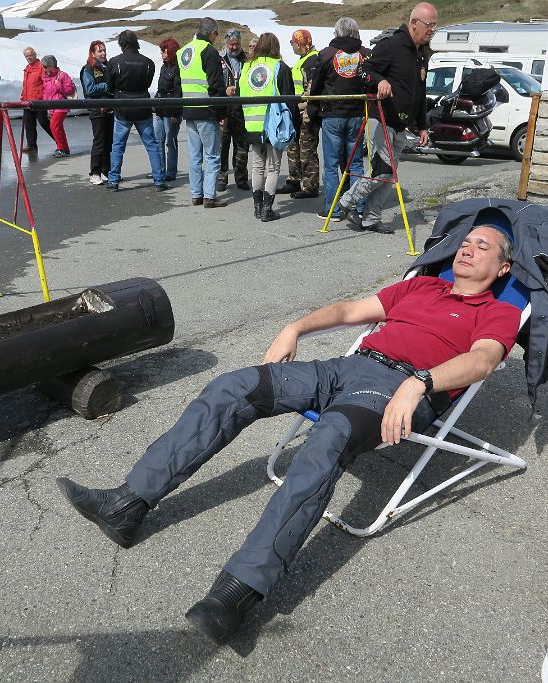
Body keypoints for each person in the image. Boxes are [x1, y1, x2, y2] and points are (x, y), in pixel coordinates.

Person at [57, 224, 520, 644]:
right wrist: (293, 327)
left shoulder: (497, 313)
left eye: (483, 245)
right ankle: (126, 504)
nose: (468, 248)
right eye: (465, 241)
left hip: (403, 387)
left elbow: (481, 360)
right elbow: (350, 310)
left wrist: (418, 384)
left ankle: (237, 593)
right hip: (347, 366)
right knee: (235, 386)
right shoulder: (421, 285)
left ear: (502, 267)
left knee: (329, 438)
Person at [337, 3, 437, 233]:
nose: (432, 30)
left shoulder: (422, 53)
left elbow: (420, 93)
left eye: (435, 26)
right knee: (381, 170)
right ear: (414, 23)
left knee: (390, 174)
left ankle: (371, 218)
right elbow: (363, 70)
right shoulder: (390, 45)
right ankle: (347, 202)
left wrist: (422, 126)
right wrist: (379, 80)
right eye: (429, 25)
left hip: (401, 124)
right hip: (380, 117)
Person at [308, 18, 370, 221]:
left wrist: (313, 110)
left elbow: (315, 86)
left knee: (332, 165)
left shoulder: (326, 54)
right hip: (357, 114)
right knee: (356, 164)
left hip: (332, 114)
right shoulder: (365, 55)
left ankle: (333, 209)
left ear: (337, 32)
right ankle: (359, 207)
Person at [234, 33, 294, 222]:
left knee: (257, 167)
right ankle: (267, 209)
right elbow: (289, 98)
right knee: (273, 168)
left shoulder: (247, 67)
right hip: (273, 125)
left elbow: (238, 96)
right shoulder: (279, 67)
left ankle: (257, 207)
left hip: (252, 124)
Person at [105, 30, 167, 192]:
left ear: (121, 44)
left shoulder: (114, 62)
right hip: (142, 106)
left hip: (122, 108)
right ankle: (159, 180)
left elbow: (109, 86)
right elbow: (147, 83)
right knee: (152, 145)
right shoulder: (148, 63)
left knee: (118, 145)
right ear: (136, 43)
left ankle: (113, 180)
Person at [179, 17, 229, 208]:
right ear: (212, 33)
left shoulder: (184, 51)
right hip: (207, 110)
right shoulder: (209, 51)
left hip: (189, 109)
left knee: (194, 155)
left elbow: (178, 83)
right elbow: (216, 85)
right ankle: (209, 196)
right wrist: (221, 113)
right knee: (212, 155)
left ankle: (196, 194)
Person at [276, 29, 320, 199]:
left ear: (301, 43)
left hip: (306, 113)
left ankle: (311, 186)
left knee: (307, 150)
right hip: (296, 112)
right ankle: (294, 180)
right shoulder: (302, 61)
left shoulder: (313, 60)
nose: (291, 45)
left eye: (293, 42)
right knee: (293, 147)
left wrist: (305, 108)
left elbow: (312, 88)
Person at [217, 29, 250, 193]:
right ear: (226, 43)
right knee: (222, 146)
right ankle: (221, 178)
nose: (234, 47)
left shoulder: (248, 60)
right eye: (231, 44)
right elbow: (212, 83)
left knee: (242, 147)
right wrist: (224, 90)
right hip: (223, 110)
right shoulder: (218, 59)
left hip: (241, 110)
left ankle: (241, 178)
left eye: (237, 44)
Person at [80, 40, 112, 185]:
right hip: (97, 110)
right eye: (100, 51)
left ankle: (106, 171)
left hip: (110, 109)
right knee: (99, 141)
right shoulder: (88, 69)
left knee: (108, 141)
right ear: (93, 53)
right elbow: (90, 89)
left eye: (104, 50)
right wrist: (108, 85)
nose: (103, 53)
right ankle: (94, 172)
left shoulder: (108, 67)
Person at [153, 38, 181, 182]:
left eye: (163, 50)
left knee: (170, 141)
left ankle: (171, 171)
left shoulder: (177, 68)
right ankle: (160, 170)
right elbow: (160, 88)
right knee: (158, 141)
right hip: (160, 109)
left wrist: (176, 113)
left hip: (171, 111)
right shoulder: (164, 67)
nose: (161, 53)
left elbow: (178, 91)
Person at [41, 55, 76, 157]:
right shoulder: (46, 77)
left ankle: (61, 148)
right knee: (58, 127)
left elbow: (70, 90)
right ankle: (65, 148)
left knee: (54, 125)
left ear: (52, 66)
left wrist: (59, 86)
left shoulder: (63, 75)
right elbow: (46, 92)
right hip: (51, 106)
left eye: (45, 66)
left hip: (61, 105)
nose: (43, 68)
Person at [20, 47, 53, 152]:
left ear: (35, 55)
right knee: (29, 123)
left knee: (43, 121)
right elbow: (26, 85)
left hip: (39, 101)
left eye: (31, 55)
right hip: (28, 100)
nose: (29, 57)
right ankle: (31, 145)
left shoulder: (41, 67)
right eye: (27, 56)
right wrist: (23, 97)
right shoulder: (27, 68)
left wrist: (45, 98)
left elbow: (46, 82)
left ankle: (60, 141)